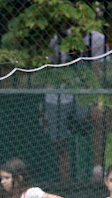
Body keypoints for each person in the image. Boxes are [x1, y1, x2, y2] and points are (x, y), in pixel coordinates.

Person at [44, 29, 107, 183]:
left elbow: (97, 71)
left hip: (83, 95)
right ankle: (66, 185)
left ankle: (97, 170)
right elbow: (47, 64)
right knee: (60, 142)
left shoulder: (97, 38)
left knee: (97, 117)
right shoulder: (56, 37)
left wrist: (96, 100)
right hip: (56, 96)